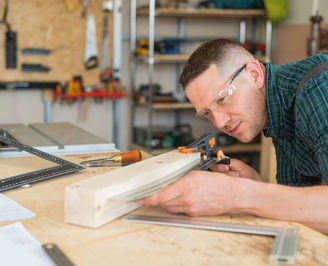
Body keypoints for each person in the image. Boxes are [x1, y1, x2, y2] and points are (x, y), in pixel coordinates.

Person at [139, 38, 328, 233]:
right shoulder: (277, 112)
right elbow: (298, 206)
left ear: (254, 75)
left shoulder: (319, 90)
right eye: (207, 114)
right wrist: (254, 183)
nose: (219, 123)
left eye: (222, 99)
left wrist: (238, 195)